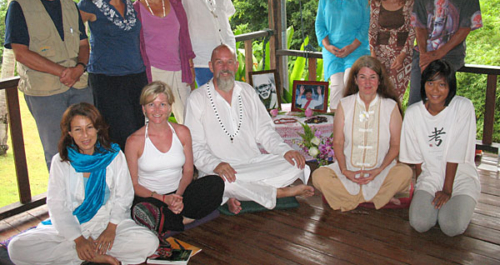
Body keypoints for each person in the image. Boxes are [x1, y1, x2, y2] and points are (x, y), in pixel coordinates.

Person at [8, 103, 158, 265]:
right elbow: (57, 205)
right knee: (16, 248)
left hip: (107, 222)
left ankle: (81, 254)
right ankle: (93, 255)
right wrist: (78, 240)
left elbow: (124, 196)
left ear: (98, 129)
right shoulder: (61, 161)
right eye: (78, 129)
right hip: (73, 223)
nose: (85, 135)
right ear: (70, 133)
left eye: (89, 128)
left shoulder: (113, 155)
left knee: (149, 242)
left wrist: (111, 229)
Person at [184, 45, 314, 214]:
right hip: (218, 170)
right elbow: (194, 146)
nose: (225, 68)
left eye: (229, 62)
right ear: (210, 66)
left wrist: (285, 151)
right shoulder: (197, 98)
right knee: (220, 183)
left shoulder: (247, 91)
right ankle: (279, 192)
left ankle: (236, 195)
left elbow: (264, 131)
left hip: (252, 163)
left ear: (236, 66)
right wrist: (216, 164)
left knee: (297, 165)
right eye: (219, 62)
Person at [3, 0, 93, 170]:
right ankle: (63, 204)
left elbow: (84, 44)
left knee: (89, 145)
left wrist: (79, 67)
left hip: (79, 85)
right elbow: (21, 53)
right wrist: (63, 72)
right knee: (56, 152)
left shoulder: (71, 6)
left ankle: (90, 199)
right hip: (44, 91)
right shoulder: (20, 7)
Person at [312, 56, 412, 212]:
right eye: (362, 77)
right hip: (349, 170)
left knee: (405, 173)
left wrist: (378, 170)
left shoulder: (390, 106)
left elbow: (395, 145)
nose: (367, 82)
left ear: (379, 81)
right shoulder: (344, 104)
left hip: (380, 170)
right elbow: (337, 142)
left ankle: (351, 200)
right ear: (355, 80)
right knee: (318, 177)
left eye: (372, 77)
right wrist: (345, 171)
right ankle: (377, 198)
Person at [125, 81, 224, 236]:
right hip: (152, 197)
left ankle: (168, 221)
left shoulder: (182, 132)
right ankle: (182, 219)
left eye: (162, 104)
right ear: (144, 109)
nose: (157, 110)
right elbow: (134, 184)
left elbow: (189, 171)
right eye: (152, 104)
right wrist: (164, 199)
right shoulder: (133, 141)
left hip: (180, 192)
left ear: (170, 107)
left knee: (216, 183)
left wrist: (177, 197)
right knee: (141, 209)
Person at [400, 60, 480, 236]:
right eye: (430, 83)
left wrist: (447, 190)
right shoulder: (414, 113)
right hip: (430, 177)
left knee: (451, 227)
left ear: (450, 86)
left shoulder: (462, 107)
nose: (435, 90)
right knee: (419, 223)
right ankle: (437, 209)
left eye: (442, 84)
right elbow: (416, 159)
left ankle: (458, 206)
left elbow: (456, 151)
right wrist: (423, 188)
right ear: (423, 85)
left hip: (460, 178)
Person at [79, 0, 147, 150]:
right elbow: (71, 30)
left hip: (136, 76)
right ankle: (121, 177)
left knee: (140, 129)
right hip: (108, 78)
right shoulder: (89, 5)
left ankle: (138, 176)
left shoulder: (130, 3)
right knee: (120, 133)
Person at [408, 0, 483, 105]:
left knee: (439, 101)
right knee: (416, 102)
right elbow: (419, 26)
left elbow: (465, 28)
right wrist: (424, 55)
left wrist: (437, 54)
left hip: (451, 54)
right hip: (424, 53)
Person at [135, 0, 196, 124]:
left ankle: (192, 150)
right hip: (154, 72)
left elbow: (184, 36)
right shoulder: (136, 9)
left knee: (188, 118)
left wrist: (190, 63)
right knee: (155, 119)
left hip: (179, 69)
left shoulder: (175, 3)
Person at [315, 0, 370, 111]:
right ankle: (333, 129)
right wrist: (327, 46)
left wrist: (351, 47)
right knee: (336, 86)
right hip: (332, 50)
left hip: (356, 48)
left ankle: (353, 128)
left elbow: (367, 23)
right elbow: (319, 24)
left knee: (349, 83)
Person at [369, 0, 417, 102]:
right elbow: (372, 29)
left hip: (402, 55)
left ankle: (395, 124)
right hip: (380, 53)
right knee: (377, 95)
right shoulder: (376, 0)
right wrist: (373, 55)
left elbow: (413, 30)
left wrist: (403, 55)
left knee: (395, 97)